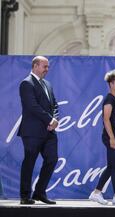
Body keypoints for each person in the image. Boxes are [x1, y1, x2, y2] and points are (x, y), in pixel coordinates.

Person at [17, 56, 59, 205]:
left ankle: (40, 192)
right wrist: (49, 120)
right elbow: (32, 106)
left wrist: (53, 121)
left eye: (48, 67)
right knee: (29, 162)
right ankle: (24, 196)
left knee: (52, 159)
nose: (47, 70)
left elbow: (54, 105)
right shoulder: (26, 83)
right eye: (44, 66)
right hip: (32, 132)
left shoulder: (47, 84)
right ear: (35, 66)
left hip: (49, 132)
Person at [89, 69, 115, 206]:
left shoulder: (114, 100)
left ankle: (96, 193)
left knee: (112, 166)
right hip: (111, 138)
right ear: (111, 84)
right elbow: (106, 119)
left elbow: (113, 118)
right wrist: (112, 138)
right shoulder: (108, 99)